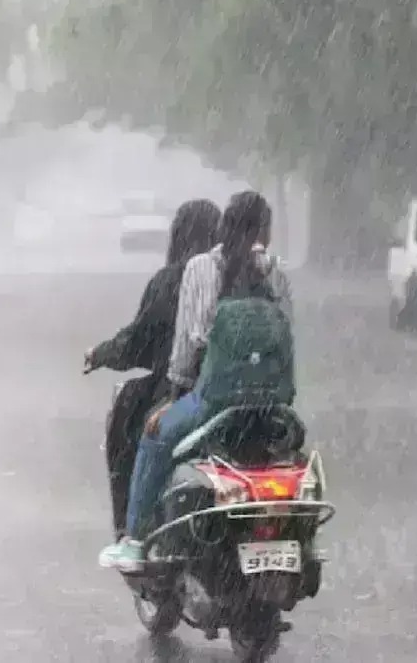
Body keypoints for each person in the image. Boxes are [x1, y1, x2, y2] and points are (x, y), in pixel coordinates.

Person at [99, 190, 293, 571]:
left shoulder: (201, 269)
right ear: (266, 234)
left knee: (154, 437)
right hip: (271, 405)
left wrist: (174, 396)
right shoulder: (277, 274)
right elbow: (287, 337)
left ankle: (135, 540)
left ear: (224, 229)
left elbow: (188, 346)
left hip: (212, 402)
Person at [85, 199, 221, 541]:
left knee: (132, 417)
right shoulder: (235, 279)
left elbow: (139, 343)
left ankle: (132, 528)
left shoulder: (171, 280)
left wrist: (100, 354)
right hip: (228, 390)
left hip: (184, 390)